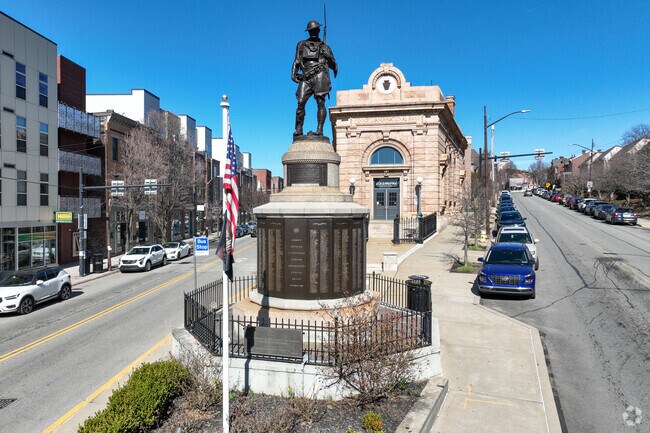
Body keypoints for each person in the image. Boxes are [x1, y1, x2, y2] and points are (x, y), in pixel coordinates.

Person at [291, 20, 338, 137]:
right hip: (306, 77)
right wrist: (293, 73)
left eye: (314, 30)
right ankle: (299, 129)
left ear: (318, 31)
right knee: (300, 102)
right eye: (310, 30)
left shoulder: (325, 47)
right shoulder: (301, 44)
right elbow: (297, 60)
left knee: (320, 102)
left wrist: (328, 57)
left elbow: (334, 66)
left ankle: (320, 129)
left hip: (320, 75)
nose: (313, 32)